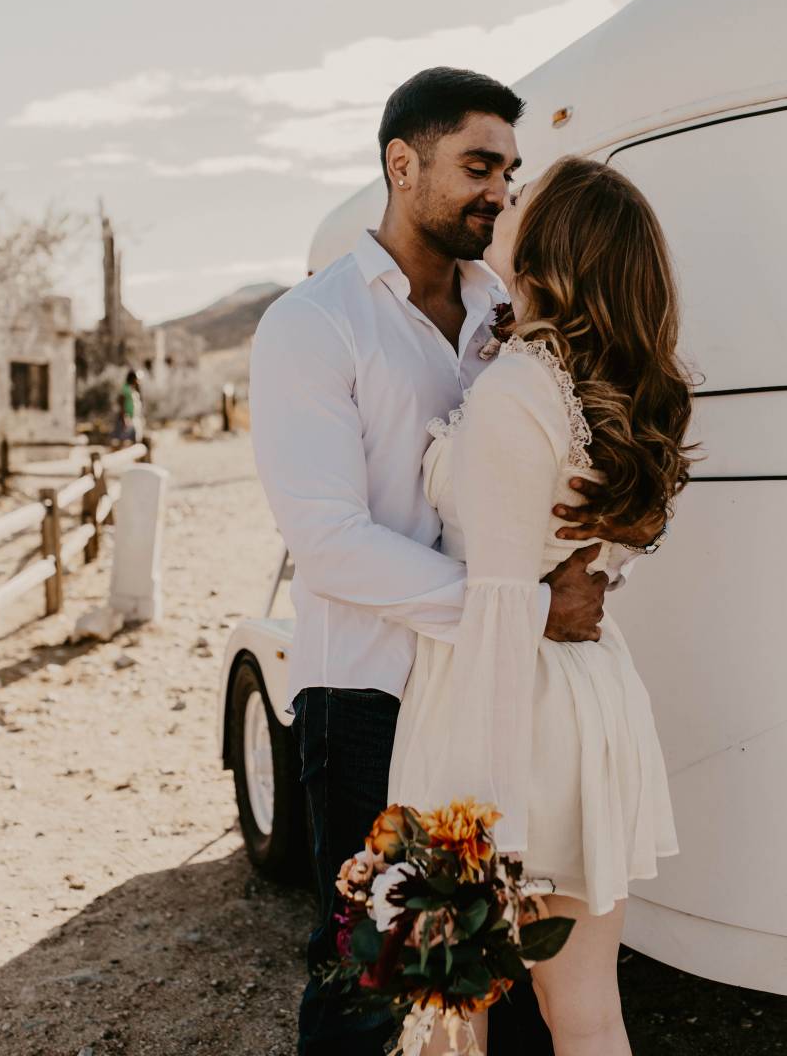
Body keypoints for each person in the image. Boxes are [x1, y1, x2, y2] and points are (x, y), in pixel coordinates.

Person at [249, 68, 666, 1056]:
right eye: (479, 164)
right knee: (375, 984)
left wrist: (585, 579)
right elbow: (327, 542)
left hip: (499, 699)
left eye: (511, 172)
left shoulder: (504, 317)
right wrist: (522, 608)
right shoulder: (314, 325)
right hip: (371, 698)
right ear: (403, 164)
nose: (499, 190)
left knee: (494, 991)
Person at [389, 155, 695, 1055]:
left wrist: (481, 814)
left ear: (553, 246)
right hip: (592, 701)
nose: (504, 203)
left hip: (503, 714)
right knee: (588, 1013)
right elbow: (600, 563)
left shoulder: (522, 390)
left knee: (447, 1015)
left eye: (523, 198)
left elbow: (493, 605)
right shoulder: (621, 395)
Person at [112, 369, 144, 445]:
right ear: (132, 378)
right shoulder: (125, 388)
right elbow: (121, 402)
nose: (137, 381)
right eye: (136, 378)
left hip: (134, 417)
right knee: (125, 439)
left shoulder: (133, 388)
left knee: (135, 437)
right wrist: (124, 416)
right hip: (127, 417)